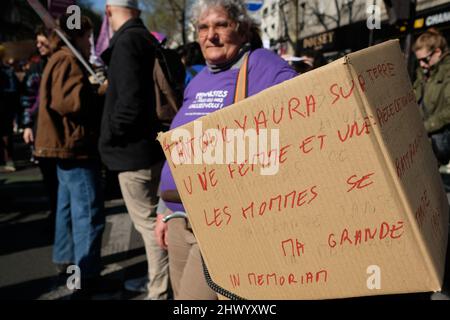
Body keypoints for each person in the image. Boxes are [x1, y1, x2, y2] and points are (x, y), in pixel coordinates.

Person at [155, 0, 297, 300]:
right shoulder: (200, 79)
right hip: (179, 216)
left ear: (242, 29)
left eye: (221, 25)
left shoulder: (263, 66)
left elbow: (297, 127)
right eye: (203, 27)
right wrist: (164, 212)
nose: (211, 35)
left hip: (223, 223)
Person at [99, 0, 169, 300]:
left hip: (133, 153)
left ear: (108, 12)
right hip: (150, 148)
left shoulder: (126, 43)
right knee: (159, 222)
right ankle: (160, 282)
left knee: (151, 228)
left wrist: (110, 134)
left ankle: (159, 290)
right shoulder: (144, 38)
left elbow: (128, 104)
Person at [34, 14, 107, 297]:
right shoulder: (67, 58)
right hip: (75, 147)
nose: (90, 41)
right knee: (88, 214)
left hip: (66, 147)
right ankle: (86, 276)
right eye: (87, 36)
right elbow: (70, 101)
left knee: (67, 209)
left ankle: (65, 259)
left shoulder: (60, 57)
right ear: (77, 35)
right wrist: (99, 89)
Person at [21, 26, 58, 220]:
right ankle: (55, 213)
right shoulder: (36, 69)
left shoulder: (63, 62)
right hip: (40, 128)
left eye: (43, 42)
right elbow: (27, 98)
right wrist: (27, 125)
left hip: (61, 131)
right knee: (49, 177)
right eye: (37, 43)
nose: (39, 46)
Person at [413, 29, 450, 167]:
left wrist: (426, 126)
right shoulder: (424, 73)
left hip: (434, 142)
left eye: (424, 59)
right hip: (420, 140)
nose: (422, 64)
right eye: (419, 61)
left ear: (438, 53)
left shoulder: (447, 72)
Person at [0, 44, 19, 173]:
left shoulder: (8, 71)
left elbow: (14, 90)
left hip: (4, 108)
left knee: (6, 134)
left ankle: (9, 160)